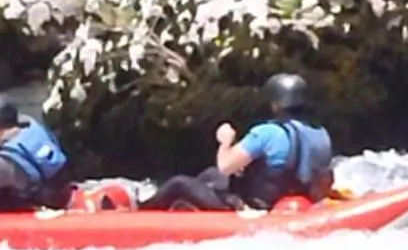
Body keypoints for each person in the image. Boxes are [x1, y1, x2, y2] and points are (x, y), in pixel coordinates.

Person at [140, 72, 334, 211]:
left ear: (275, 103)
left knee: (179, 183)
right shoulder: (320, 133)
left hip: (256, 204)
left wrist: (226, 141)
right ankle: (186, 209)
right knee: (211, 175)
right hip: (294, 199)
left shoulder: (267, 133)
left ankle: (141, 211)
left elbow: (226, 166)